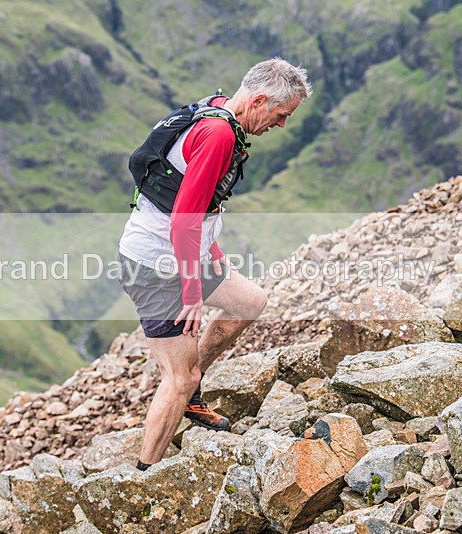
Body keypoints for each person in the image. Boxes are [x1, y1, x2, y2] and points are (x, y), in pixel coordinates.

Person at [117, 58, 312, 471]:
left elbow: (200, 203)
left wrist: (214, 254)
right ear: (258, 101)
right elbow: (184, 220)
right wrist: (193, 295)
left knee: (249, 302)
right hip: (154, 265)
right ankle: (142, 475)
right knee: (178, 377)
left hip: (186, 254)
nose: (281, 125)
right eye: (281, 115)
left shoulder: (218, 108)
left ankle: (191, 392)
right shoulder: (219, 134)